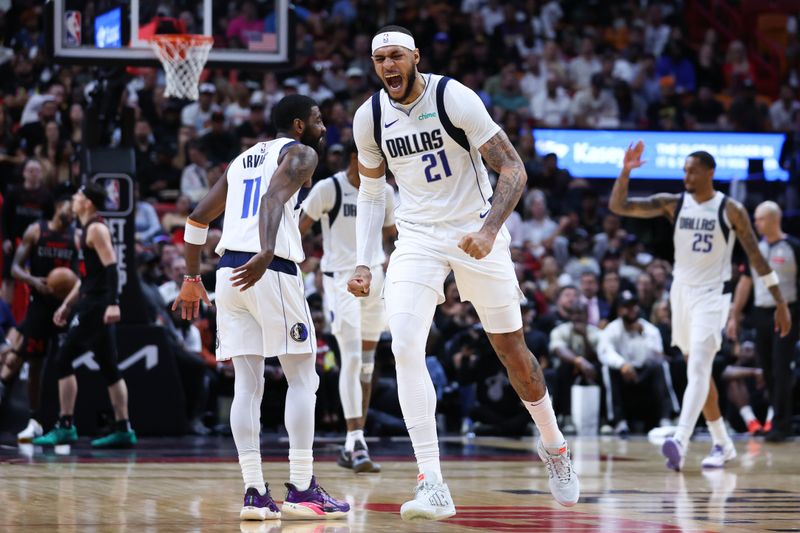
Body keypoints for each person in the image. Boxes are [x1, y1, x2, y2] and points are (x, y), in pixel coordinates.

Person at [347, 25, 579, 521]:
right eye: (379, 58)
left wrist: (491, 230)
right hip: (416, 237)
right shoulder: (368, 118)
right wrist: (365, 260)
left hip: (476, 228)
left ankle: (554, 446)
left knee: (511, 350)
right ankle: (431, 481)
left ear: (415, 58)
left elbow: (513, 169)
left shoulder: (454, 97)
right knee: (405, 344)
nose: (388, 66)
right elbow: (370, 193)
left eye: (396, 57)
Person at [172, 95, 349, 522]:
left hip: (228, 273)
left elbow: (197, 218)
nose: (325, 127)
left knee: (248, 386)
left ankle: (255, 493)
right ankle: (304, 488)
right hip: (269, 269)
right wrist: (268, 251)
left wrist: (192, 278)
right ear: (299, 125)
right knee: (303, 376)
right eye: (318, 120)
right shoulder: (301, 153)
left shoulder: (242, 159)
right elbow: (271, 202)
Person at [609, 142, 792, 471]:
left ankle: (680, 438)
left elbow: (756, 257)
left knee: (698, 369)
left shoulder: (730, 209)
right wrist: (625, 172)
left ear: (710, 173)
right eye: (684, 170)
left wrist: (779, 300)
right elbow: (619, 206)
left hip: (713, 295)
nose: (686, 176)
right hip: (681, 293)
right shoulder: (672, 203)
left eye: (692, 170)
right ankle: (722, 443)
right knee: (700, 375)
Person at [299, 141, 396, 473]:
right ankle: (355, 440)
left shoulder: (385, 191)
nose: (381, 163)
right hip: (341, 280)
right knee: (352, 358)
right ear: (356, 158)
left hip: (376, 278)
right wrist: (300, 266)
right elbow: (298, 228)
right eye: (376, 156)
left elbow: (393, 236)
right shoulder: (329, 188)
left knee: (368, 364)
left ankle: (356, 440)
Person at [33, 183, 137, 449]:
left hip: (98, 305)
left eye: (78, 196)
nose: (74, 200)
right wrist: (67, 305)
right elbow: (88, 277)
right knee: (109, 367)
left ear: (88, 202)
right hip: (91, 301)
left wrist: (113, 303)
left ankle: (66, 425)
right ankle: (124, 428)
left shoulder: (96, 229)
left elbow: (113, 268)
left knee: (62, 359)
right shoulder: (84, 230)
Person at [0, 198, 79, 442]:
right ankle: (34, 420)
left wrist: (67, 290)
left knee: (63, 363)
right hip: (39, 307)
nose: (71, 213)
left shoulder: (75, 238)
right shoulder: (36, 231)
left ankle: (65, 421)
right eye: (68, 207)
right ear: (57, 206)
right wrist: (34, 281)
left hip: (65, 309)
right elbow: (15, 268)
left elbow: (80, 275)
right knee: (33, 364)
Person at [726, 201, 799, 442]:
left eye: (760, 219)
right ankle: (776, 419)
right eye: (755, 219)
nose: (756, 223)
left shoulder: (793, 246)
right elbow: (745, 283)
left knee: (781, 367)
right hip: (760, 314)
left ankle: (781, 423)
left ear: (773, 219)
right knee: (767, 368)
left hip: (786, 312)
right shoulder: (754, 248)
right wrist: (734, 316)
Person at [599, 290, 675, 434]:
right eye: (627, 306)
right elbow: (604, 352)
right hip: (623, 375)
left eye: (634, 306)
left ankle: (666, 418)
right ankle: (618, 421)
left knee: (661, 366)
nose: (631, 310)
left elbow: (657, 356)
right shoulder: (612, 329)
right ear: (620, 310)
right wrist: (622, 364)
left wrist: (642, 336)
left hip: (644, 374)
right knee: (607, 369)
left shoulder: (649, 330)